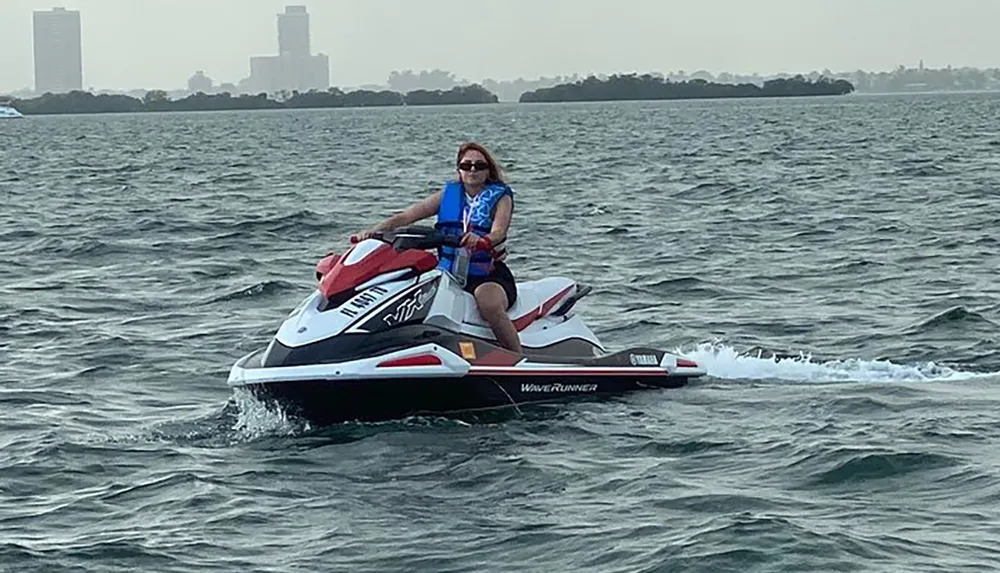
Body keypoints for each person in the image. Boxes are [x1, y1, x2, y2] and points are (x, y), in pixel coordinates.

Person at [350, 142, 522, 354]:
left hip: (487, 274)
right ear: (458, 169)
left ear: (489, 170)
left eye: (479, 165)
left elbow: (499, 231)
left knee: (487, 303)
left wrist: (483, 240)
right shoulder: (448, 195)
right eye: (466, 165)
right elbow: (406, 216)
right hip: (448, 272)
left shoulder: (501, 196)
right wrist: (372, 233)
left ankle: (518, 357)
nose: (473, 170)